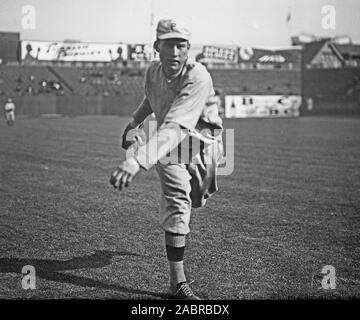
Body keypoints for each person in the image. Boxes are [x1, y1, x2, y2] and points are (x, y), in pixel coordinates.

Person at [109, 19, 223, 300]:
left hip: (202, 144)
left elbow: (177, 126)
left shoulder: (198, 77)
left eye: (181, 45)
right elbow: (152, 99)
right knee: (178, 200)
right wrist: (134, 122)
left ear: (188, 49)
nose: (174, 51)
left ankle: (189, 202)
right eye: (168, 44)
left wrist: (135, 160)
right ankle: (177, 283)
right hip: (167, 145)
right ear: (156, 47)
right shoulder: (153, 72)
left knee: (198, 198)